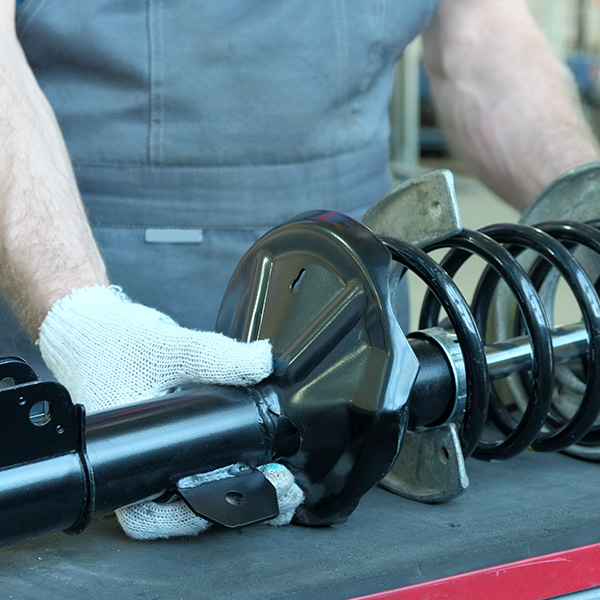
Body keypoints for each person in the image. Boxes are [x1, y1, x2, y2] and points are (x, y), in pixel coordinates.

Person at [1, 0, 598, 539]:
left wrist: (588, 224)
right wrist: (78, 319)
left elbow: (482, 41)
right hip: (79, 346)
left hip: (364, 347)